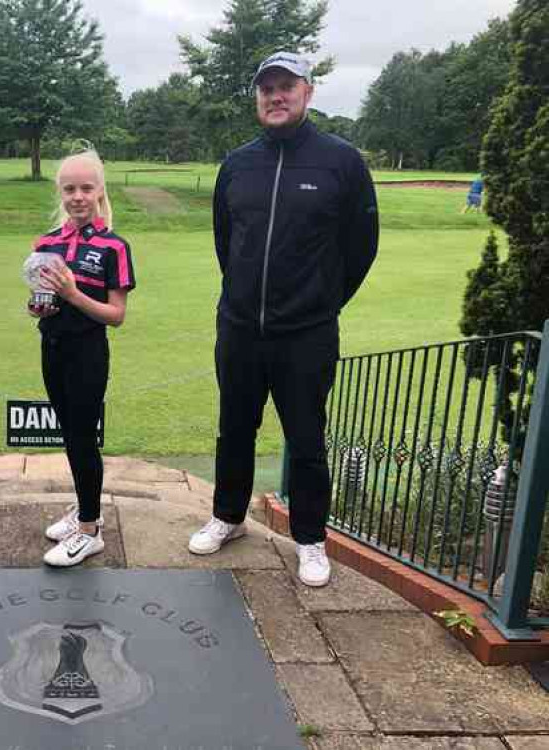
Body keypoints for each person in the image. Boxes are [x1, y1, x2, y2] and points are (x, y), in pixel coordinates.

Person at [188, 52, 379, 587]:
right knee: (235, 429)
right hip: (241, 328)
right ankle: (228, 516)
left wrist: (321, 302)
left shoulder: (341, 162)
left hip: (307, 333)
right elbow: (228, 242)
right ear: (257, 98)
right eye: (266, 88)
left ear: (307, 92)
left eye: (286, 87)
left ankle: (311, 540)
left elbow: (361, 248)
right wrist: (244, 300)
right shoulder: (237, 164)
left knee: (307, 437)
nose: (275, 96)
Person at [28, 150, 136, 567]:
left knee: (82, 436)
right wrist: (40, 306)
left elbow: (117, 315)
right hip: (51, 347)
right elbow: (40, 299)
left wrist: (73, 294)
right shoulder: (47, 242)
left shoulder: (113, 246)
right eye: (69, 188)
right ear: (61, 191)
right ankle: (83, 508)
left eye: (86, 188)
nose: (77, 197)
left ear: (99, 191)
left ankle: (90, 530)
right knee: (70, 434)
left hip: (88, 353)